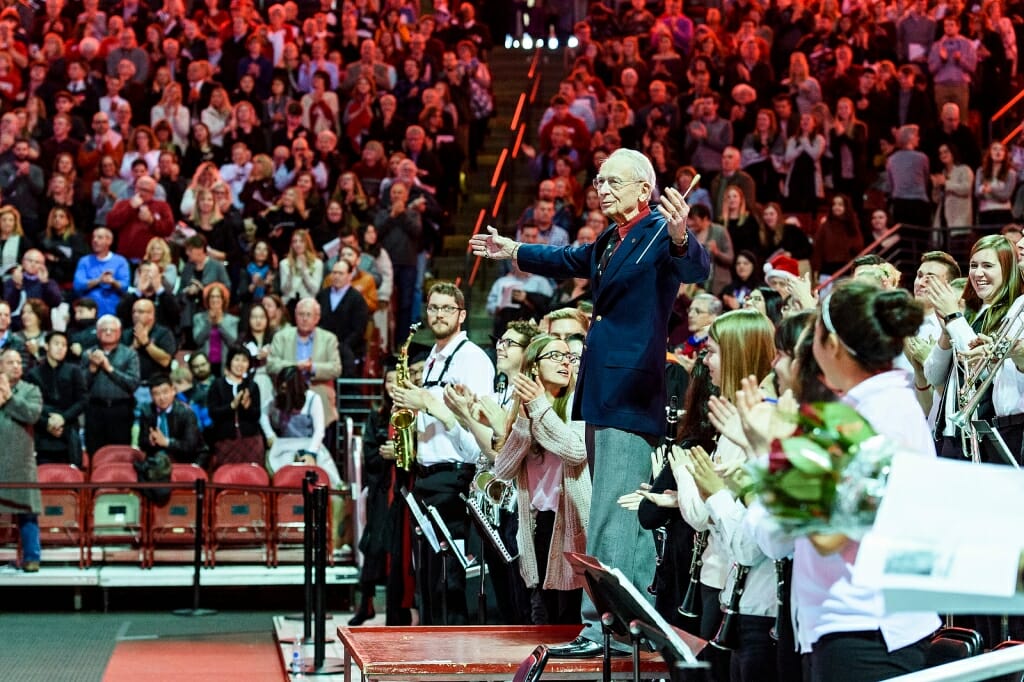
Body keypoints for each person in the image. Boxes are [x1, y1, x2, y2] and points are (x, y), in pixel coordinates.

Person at [469, 147, 710, 656]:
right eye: (599, 180)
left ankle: (606, 627)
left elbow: (696, 268)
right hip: (603, 393)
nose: (601, 189)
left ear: (644, 189)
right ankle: (630, 621)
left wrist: (683, 234)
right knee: (619, 511)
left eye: (613, 182)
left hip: (628, 392)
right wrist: (513, 249)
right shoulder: (609, 239)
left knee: (610, 515)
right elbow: (564, 259)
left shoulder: (659, 234)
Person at [748, 280, 938, 682]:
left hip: (868, 629)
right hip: (852, 626)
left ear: (831, 344)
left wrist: (770, 453)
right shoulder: (869, 406)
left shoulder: (874, 415)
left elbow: (828, 531)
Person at [390, 281, 495, 625]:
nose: (438, 315)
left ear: (462, 315)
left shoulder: (473, 360)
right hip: (427, 477)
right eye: (433, 308)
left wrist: (430, 405)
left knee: (449, 580)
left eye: (447, 308)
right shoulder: (433, 358)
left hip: (456, 477)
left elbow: (477, 435)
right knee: (429, 580)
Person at [494, 334, 591, 625]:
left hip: (571, 522)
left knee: (570, 615)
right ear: (534, 367)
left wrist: (538, 407)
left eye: (569, 357)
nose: (565, 362)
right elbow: (504, 469)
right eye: (555, 356)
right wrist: (524, 422)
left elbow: (574, 451)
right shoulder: (526, 411)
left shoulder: (579, 402)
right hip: (539, 524)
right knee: (543, 616)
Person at [266, 297, 342, 449]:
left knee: (321, 449)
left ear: (317, 317)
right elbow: (271, 365)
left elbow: (336, 368)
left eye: (308, 314)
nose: (304, 318)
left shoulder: (329, 339)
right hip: (288, 402)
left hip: (319, 398)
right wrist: (296, 367)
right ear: (295, 316)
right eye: (301, 314)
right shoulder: (282, 337)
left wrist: (311, 368)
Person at [0, 349, 44, 572]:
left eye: (19, 362)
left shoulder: (30, 390)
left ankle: (32, 558)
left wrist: (10, 399)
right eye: (10, 362)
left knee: (27, 511)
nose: (16, 366)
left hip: (21, 459)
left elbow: (32, 414)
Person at [261, 365, 342, 487]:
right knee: (281, 474)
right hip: (284, 446)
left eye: (286, 388)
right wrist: (270, 435)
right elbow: (263, 413)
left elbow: (319, 430)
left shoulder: (312, 399)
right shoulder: (277, 398)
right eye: (281, 388)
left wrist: (311, 453)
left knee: (326, 475)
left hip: (309, 445)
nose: (284, 391)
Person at [81, 314, 140, 455]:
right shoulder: (88, 354)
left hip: (121, 410)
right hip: (95, 410)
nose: (108, 332)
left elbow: (133, 384)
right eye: (104, 329)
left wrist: (109, 369)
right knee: (95, 453)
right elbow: (81, 386)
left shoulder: (129, 354)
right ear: (97, 332)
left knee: (120, 454)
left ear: (119, 332)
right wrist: (92, 369)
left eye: (112, 330)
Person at [27, 331, 87, 467]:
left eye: (64, 345)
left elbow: (83, 400)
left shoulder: (74, 371)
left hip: (69, 433)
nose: (60, 348)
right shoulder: (33, 374)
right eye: (56, 344)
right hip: (42, 434)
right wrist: (47, 422)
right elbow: (31, 404)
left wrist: (63, 418)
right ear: (46, 346)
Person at [206, 346, 264, 471]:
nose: (240, 364)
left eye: (244, 360)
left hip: (250, 439)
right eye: (236, 359)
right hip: (225, 439)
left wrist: (247, 407)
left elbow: (257, 415)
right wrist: (232, 406)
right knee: (227, 475)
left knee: (252, 475)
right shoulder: (217, 385)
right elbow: (213, 413)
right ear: (229, 362)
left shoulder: (253, 386)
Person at [137, 373, 208, 466]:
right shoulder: (147, 411)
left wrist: (166, 442)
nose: (162, 398)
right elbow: (141, 443)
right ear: (151, 396)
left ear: (173, 391)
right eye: (156, 394)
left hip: (188, 459)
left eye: (165, 392)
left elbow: (190, 446)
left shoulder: (186, 413)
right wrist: (149, 441)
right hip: (159, 460)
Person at [73, 226, 131, 318]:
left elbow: (125, 286)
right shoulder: (84, 261)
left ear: (109, 241)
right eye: (93, 237)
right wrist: (99, 280)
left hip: (113, 311)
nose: (95, 240)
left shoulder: (120, 261)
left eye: (99, 237)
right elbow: (78, 285)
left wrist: (112, 282)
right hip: (88, 312)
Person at [192, 282, 239, 376]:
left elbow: (232, 342)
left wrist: (219, 324)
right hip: (205, 364)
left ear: (223, 299)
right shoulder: (199, 318)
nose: (215, 299)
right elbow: (198, 340)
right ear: (207, 300)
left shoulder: (232, 320)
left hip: (224, 363)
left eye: (218, 297)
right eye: (212, 297)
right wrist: (209, 323)